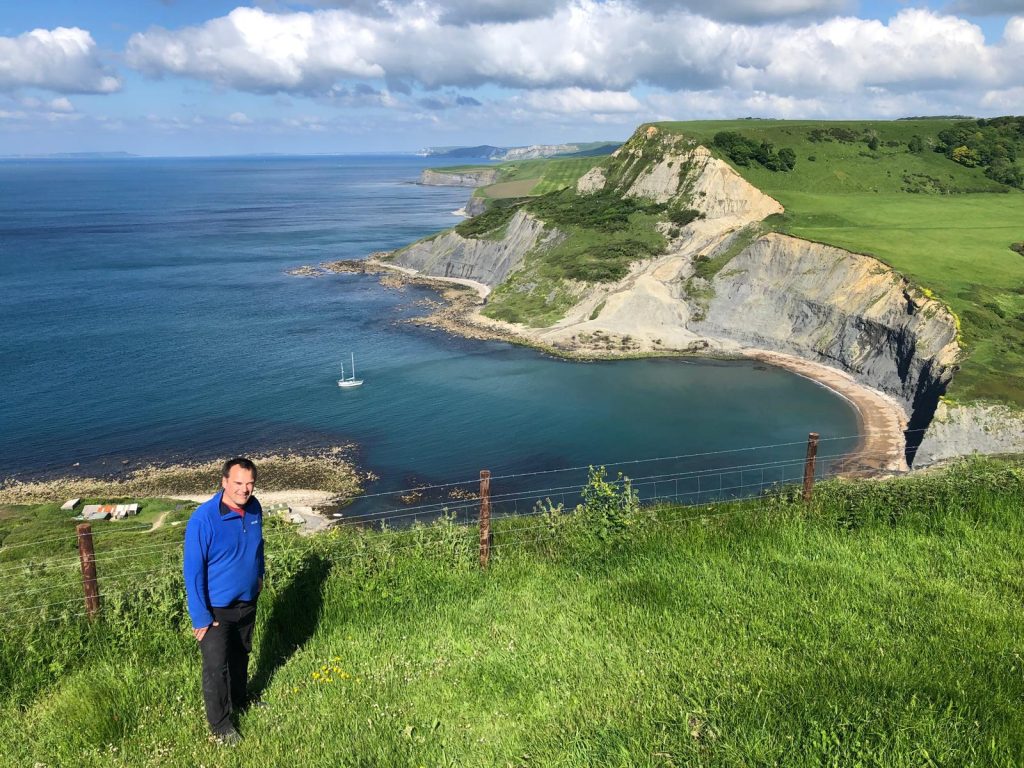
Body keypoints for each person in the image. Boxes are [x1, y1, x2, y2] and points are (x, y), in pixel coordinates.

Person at [184, 457, 265, 745]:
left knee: (241, 655)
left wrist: (259, 578)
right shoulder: (203, 519)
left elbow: (258, 547)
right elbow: (192, 571)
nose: (245, 490)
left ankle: (240, 701)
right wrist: (200, 617)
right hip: (216, 609)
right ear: (224, 482)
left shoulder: (255, 509)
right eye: (238, 483)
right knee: (216, 668)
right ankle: (220, 725)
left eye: (250, 483)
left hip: (247, 601)